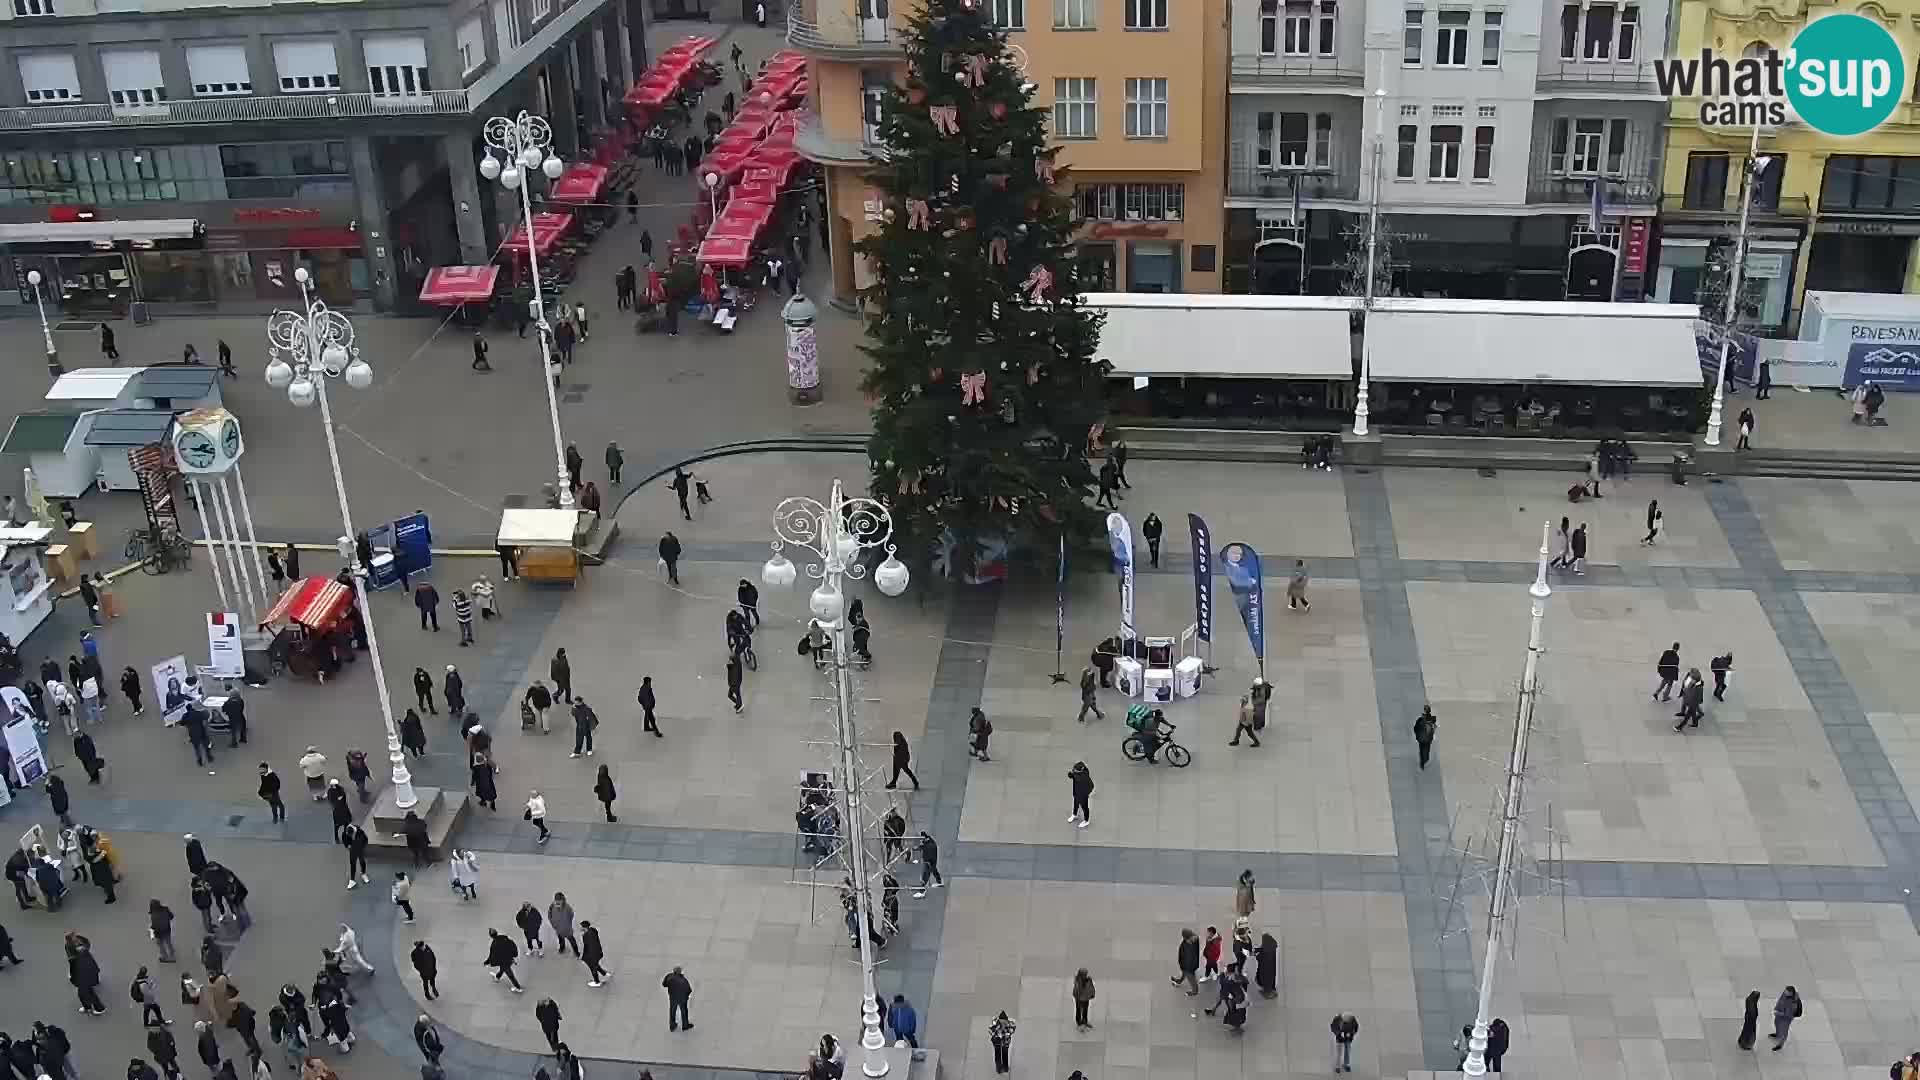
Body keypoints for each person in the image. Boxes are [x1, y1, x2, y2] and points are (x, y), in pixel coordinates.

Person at [661, 967, 693, 1031]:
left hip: (672, 998)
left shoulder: (669, 976)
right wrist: (686, 996)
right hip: (682, 999)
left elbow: (664, 984)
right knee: (684, 1011)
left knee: (672, 1011)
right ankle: (685, 1025)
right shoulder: (684, 980)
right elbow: (689, 990)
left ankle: (672, 1026)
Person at [1675, 666, 1706, 732]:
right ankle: (1695, 722)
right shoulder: (1692, 681)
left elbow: (1697, 697)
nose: (1690, 679)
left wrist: (1691, 702)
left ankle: (1680, 727)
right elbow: (1686, 685)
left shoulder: (1698, 687)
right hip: (1689, 699)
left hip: (1693, 702)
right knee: (1693, 713)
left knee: (1688, 716)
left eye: (1692, 678)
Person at [580, 919, 610, 986]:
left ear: (584, 928)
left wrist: (583, 957)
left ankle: (597, 982)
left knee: (592, 968)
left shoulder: (586, 936)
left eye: (581, 927)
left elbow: (587, 947)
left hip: (592, 956)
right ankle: (604, 973)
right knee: (596, 965)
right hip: (598, 952)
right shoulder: (593, 930)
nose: (580, 928)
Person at [912, 832, 943, 896]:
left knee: (926, 874)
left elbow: (924, 847)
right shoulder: (930, 841)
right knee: (934, 870)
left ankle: (922, 890)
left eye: (922, 839)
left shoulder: (928, 845)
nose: (921, 840)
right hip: (932, 860)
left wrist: (917, 848)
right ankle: (939, 881)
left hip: (929, 861)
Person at [1770, 985, 1801, 1050]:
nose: (1785, 992)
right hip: (1779, 1014)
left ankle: (1780, 1044)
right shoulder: (1785, 994)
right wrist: (1776, 1008)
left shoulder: (1793, 1003)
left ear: (1791, 993)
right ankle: (1777, 1034)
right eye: (1785, 991)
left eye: (1787, 992)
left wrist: (1778, 1013)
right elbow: (1780, 1000)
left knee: (1783, 1031)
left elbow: (1788, 1014)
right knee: (1776, 1024)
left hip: (1786, 1019)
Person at [1414, 704, 1437, 769]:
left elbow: (1415, 728)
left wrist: (1417, 735)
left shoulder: (1420, 719)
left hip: (1421, 738)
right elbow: (1434, 728)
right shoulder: (1432, 719)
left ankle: (1422, 762)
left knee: (1421, 750)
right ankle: (1425, 760)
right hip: (1428, 739)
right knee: (1426, 750)